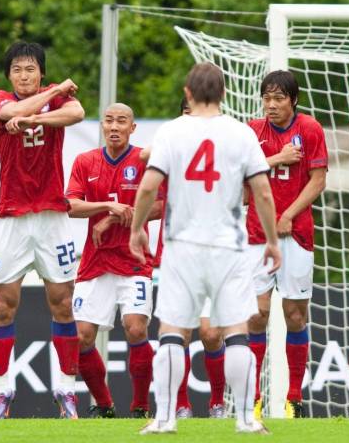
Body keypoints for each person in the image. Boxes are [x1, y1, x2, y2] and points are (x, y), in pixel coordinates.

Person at [129, 62, 280, 434]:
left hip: (182, 246)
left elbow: (148, 187)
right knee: (236, 332)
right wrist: (272, 240)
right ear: (224, 93)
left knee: (171, 332)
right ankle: (245, 419)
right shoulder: (242, 133)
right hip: (229, 246)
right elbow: (262, 191)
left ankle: (165, 418)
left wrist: (136, 230)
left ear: (187, 93)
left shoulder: (171, 131)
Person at [0, 41, 85, 419]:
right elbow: (11, 111)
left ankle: (66, 391)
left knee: (63, 303)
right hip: (12, 217)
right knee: (3, 304)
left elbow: (77, 112)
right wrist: (50, 96)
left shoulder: (55, 102)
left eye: (30, 69)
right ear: (8, 75)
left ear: (41, 73)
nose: (24, 76)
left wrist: (36, 119)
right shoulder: (0, 99)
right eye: (17, 70)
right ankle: (1, 393)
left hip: (51, 217)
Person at [65, 103, 162, 418]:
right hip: (96, 262)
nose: (114, 126)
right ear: (102, 126)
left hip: (134, 261)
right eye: (109, 121)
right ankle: (104, 405)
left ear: (132, 128)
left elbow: (162, 205)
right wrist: (107, 207)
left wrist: (118, 217)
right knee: (80, 337)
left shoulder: (144, 161)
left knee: (135, 329)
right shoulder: (85, 161)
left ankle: (140, 407)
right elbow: (70, 205)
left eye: (122, 121)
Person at [246, 70, 327, 418]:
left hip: (296, 232)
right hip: (256, 234)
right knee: (256, 314)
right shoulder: (252, 131)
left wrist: (289, 214)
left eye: (278, 98)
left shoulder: (310, 129)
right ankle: (253, 398)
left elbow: (318, 180)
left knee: (294, 316)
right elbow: (240, 175)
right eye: (267, 98)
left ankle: (294, 398)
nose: (271, 105)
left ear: (293, 100)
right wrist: (277, 158)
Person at [166, 98, 228, 419]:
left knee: (211, 333)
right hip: (178, 255)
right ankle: (181, 405)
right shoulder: (167, 154)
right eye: (186, 113)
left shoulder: (225, 153)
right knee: (179, 333)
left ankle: (217, 402)